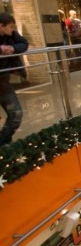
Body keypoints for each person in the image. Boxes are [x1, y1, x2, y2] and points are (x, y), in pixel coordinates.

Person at [0, 13, 27, 147]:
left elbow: (24, 43)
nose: (12, 30)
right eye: (10, 27)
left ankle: (3, 142)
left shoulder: (11, 34)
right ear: (1, 26)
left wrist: (13, 48)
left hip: (3, 81)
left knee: (16, 113)